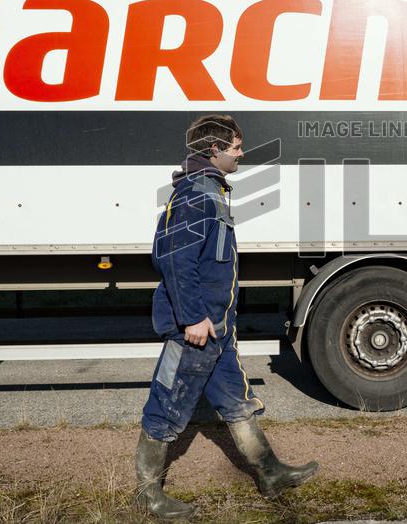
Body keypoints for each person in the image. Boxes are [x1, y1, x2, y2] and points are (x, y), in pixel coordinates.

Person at [135, 114, 319, 520]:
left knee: (237, 401)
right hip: (195, 330)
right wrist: (192, 318)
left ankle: (270, 473)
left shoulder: (212, 190)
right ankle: (147, 495)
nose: (241, 153)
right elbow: (175, 261)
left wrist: (218, 322)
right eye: (236, 147)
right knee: (167, 405)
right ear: (214, 149)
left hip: (217, 330)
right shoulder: (195, 195)